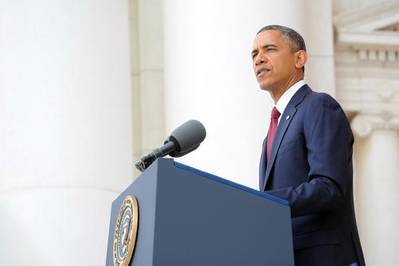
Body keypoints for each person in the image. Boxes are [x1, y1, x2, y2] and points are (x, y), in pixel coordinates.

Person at [252, 25, 365, 266]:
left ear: (300, 58)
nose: (259, 59)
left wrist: (262, 203)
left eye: (269, 49)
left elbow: (328, 187)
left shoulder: (318, 106)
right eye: (254, 54)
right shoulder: (273, 130)